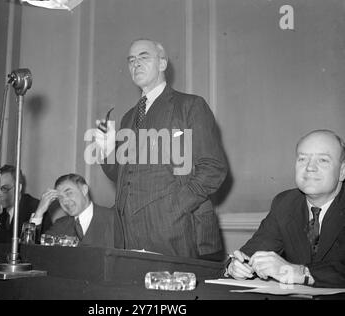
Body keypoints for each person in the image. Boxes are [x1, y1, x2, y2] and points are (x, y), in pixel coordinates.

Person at [94, 38, 228, 259]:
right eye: (131, 60)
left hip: (178, 231)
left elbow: (213, 168)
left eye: (144, 57)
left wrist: (175, 208)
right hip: (128, 234)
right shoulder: (129, 117)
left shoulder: (190, 106)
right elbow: (122, 175)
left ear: (163, 63)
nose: (135, 64)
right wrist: (107, 150)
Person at [226, 129, 345, 287]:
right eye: (302, 159)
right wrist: (236, 266)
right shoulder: (286, 203)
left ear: (342, 171)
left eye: (323, 160)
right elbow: (250, 253)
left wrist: (298, 272)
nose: (310, 167)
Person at [0, 165, 52, 256]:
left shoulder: (34, 209)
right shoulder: (0, 211)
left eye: (4, 189)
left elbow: (14, 251)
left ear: (18, 188)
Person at [30, 173, 116, 248]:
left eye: (69, 193)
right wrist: (39, 213)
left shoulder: (113, 219)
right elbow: (32, 251)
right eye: (60, 197)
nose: (65, 201)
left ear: (84, 190)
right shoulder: (60, 225)